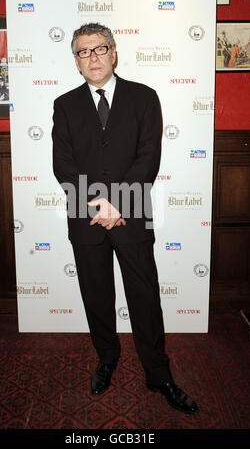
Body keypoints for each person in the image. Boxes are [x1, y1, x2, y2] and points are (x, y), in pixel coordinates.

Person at [52, 22, 198, 414]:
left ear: (114, 52)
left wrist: (117, 203)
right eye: (83, 52)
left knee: (145, 297)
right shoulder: (64, 105)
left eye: (99, 49)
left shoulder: (144, 97)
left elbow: (148, 157)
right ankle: (106, 359)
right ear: (76, 62)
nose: (92, 57)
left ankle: (159, 374)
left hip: (131, 214)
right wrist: (96, 205)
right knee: (96, 296)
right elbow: (62, 164)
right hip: (85, 219)